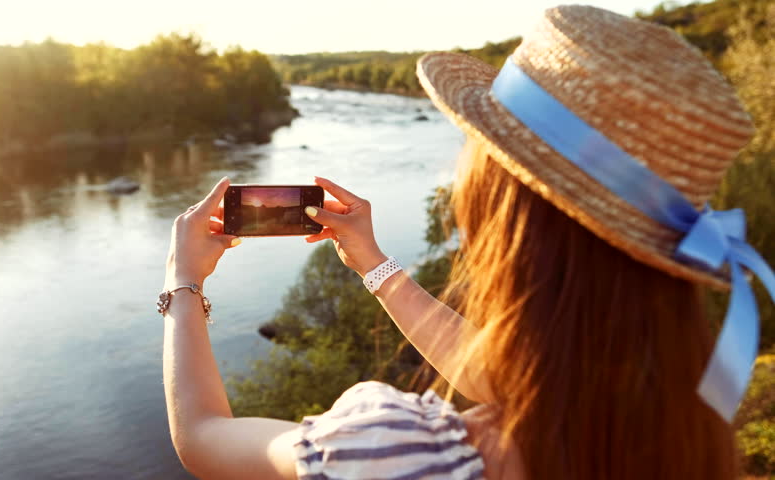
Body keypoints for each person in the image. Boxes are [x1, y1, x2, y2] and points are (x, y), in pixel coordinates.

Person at [157, 5, 774, 480]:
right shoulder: (686, 417)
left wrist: (182, 284)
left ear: (504, 205)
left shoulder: (399, 453)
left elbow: (205, 438)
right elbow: (502, 373)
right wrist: (372, 264)